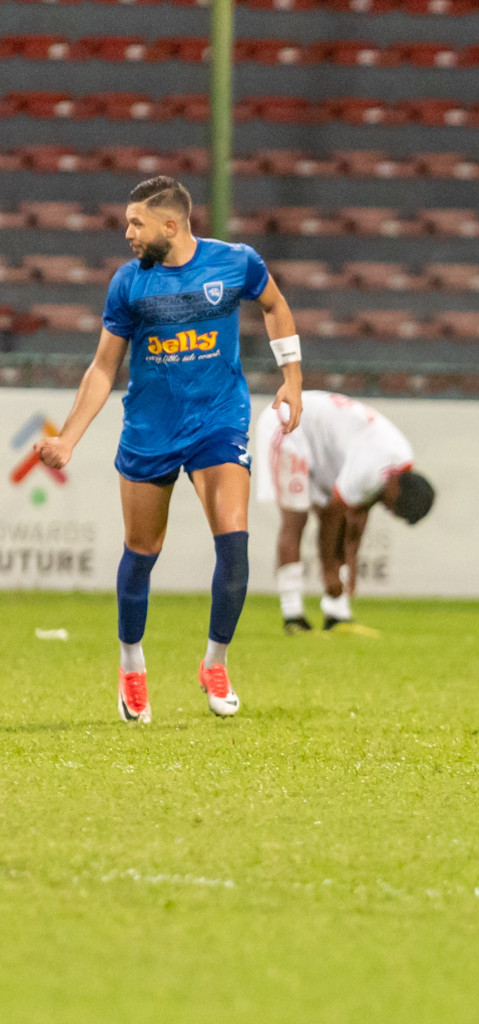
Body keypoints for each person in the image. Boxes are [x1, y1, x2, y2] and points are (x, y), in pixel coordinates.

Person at [35, 175, 304, 723]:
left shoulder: (236, 263)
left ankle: (216, 662)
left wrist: (292, 377)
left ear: (171, 225)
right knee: (142, 550)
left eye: (136, 222)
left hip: (218, 421)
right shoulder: (129, 284)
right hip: (151, 427)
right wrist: (68, 437)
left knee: (234, 543)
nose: (126, 231)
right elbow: (104, 366)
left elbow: (274, 305)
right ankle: (131, 666)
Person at [253, 390, 435, 632]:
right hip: (290, 423)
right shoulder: (371, 468)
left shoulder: (397, 464)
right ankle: (293, 615)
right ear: (394, 492)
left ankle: (336, 614)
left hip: (324, 446)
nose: (390, 513)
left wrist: (347, 570)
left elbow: (356, 518)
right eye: (395, 510)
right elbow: (331, 517)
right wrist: (331, 573)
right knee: (296, 517)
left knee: (343, 523)